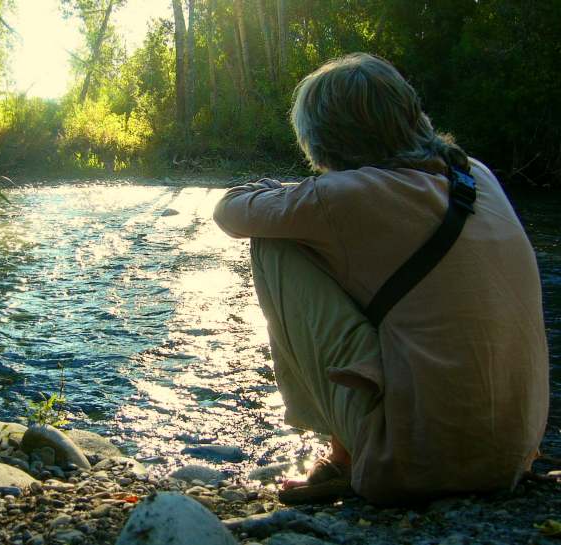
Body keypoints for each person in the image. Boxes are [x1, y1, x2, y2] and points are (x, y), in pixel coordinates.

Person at [213, 53, 549, 505]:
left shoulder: (347, 196)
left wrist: (287, 192)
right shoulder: (475, 175)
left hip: (412, 462)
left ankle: (345, 459)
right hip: (510, 459)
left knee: (274, 243)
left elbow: (231, 212)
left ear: (324, 139)